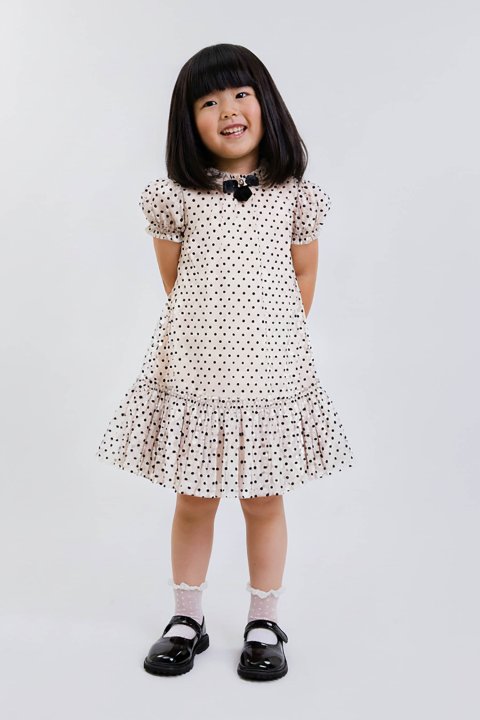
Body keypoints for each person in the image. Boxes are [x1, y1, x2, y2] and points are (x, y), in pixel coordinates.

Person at [96, 43, 354, 681]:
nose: (228, 110)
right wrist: (212, 337)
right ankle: (187, 617)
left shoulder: (295, 196)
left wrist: (274, 339)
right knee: (193, 499)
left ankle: (264, 621)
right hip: (197, 371)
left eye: (241, 94)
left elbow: (303, 274)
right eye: (208, 102)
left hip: (271, 374)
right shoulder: (175, 196)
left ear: (267, 104)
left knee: (264, 501)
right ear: (189, 122)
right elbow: (175, 279)